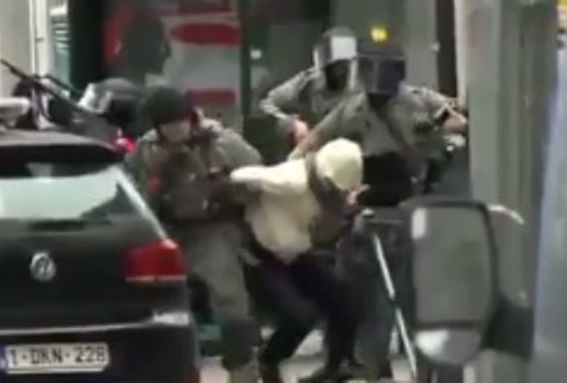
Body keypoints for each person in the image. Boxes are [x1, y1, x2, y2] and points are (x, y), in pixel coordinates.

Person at [290, 39, 468, 382]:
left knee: (424, 300)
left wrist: (433, 128)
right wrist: (293, 168)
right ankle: (361, 365)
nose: (374, 86)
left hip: (422, 204)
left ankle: (433, 372)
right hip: (375, 209)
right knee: (369, 299)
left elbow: (458, 124)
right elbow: (316, 139)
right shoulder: (353, 108)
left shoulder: (420, 99)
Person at [124, 86, 262, 383]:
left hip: (213, 228)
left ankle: (243, 371)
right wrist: (159, 172)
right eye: (167, 125)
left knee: (229, 299)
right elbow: (136, 195)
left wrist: (228, 188)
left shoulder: (221, 141)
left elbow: (258, 175)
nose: (175, 130)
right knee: (161, 301)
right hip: (171, 229)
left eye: (179, 122)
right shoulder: (147, 150)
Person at [230, 139, 366, 383]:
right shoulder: (290, 181)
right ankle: (268, 361)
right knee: (300, 316)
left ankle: (335, 367)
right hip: (262, 254)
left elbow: (324, 230)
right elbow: (241, 175)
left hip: (297, 253)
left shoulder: (332, 193)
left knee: (343, 303)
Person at [259, 27, 358, 144]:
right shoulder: (309, 82)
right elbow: (267, 103)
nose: (340, 70)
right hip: (314, 148)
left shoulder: (362, 83)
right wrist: (292, 124)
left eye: (344, 64)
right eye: (336, 65)